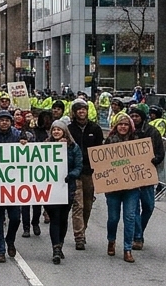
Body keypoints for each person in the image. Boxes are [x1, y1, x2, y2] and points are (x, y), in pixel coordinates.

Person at [0, 110, 27, 262]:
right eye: (2, 120)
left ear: (11, 122)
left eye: (7, 120)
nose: (4, 123)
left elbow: (27, 154)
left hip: (14, 186)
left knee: (15, 218)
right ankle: (0, 250)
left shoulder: (17, 135)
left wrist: (24, 144)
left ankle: (10, 240)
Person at [102, 114, 143, 262]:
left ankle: (127, 249)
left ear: (130, 126)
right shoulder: (110, 141)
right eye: (120, 124)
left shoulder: (136, 141)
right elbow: (103, 163)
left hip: (131, 187)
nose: (123, 127)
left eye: (126, 124)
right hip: (113, 187)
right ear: (116, 126)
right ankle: (111, 240)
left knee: (130, 217)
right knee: (113, 218)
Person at [67, 99, 104, 250]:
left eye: (84, 109)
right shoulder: (69, 129)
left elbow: (100, 150)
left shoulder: (95, 128)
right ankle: (79, 237)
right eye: (79, 109)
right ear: (74, 112)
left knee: (87, 205)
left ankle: (83, 229)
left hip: (90, 173)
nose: (82, 112)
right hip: (75, 172)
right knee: (78, 205)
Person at [44, 119, 83, 264]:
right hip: (50, 189)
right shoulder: (45, 146)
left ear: (64, 131)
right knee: (54, 217)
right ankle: (55, 249)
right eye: (53, 129)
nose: (56, 132)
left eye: (59, 129)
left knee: (62, 218)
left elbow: (78, 166)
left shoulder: (73, 147)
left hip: (67, 187)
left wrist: (71, 175)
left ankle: (59, 244)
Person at [127, 104, 165, 249]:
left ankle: (139, 230)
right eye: (132, 116)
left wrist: (154, 161)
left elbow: (160, 152)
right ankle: (137, 237)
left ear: (142, 117)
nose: (134, 119)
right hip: (131, 175)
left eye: (137, 116)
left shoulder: (152, 132)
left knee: (148, 206)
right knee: (134, 207)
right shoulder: (127, 131)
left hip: (147, 175)